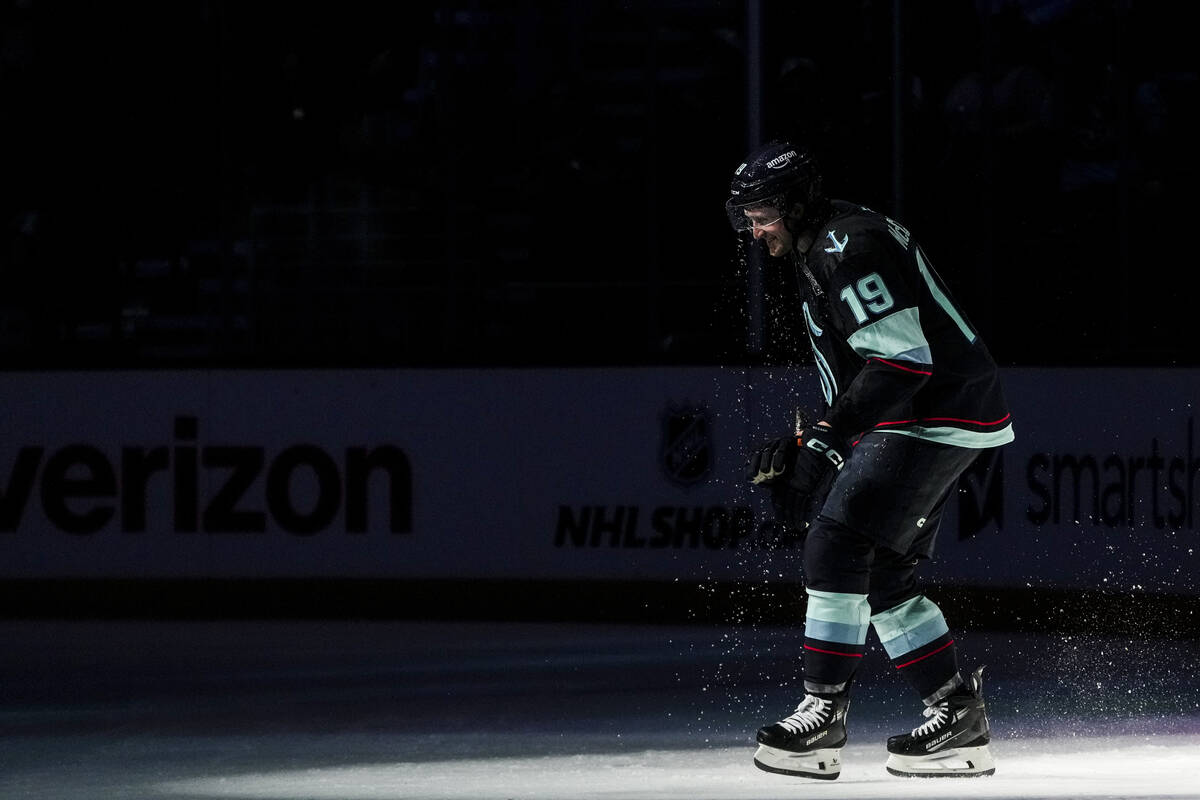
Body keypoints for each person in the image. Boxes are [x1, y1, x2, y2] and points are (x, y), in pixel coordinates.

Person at [727, 139, 1015, 779]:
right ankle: (957, 718)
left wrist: (829, 440)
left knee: (835, 542)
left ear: (798, 203)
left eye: (763, 213)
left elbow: (901, 363)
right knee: (883, 570)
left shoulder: (844, 246)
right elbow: (876, 365)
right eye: (745, 216)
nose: (753, 229)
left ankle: (822, 714)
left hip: (933, 411)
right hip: (935, 410)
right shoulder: (823, 244)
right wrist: (815, 442)